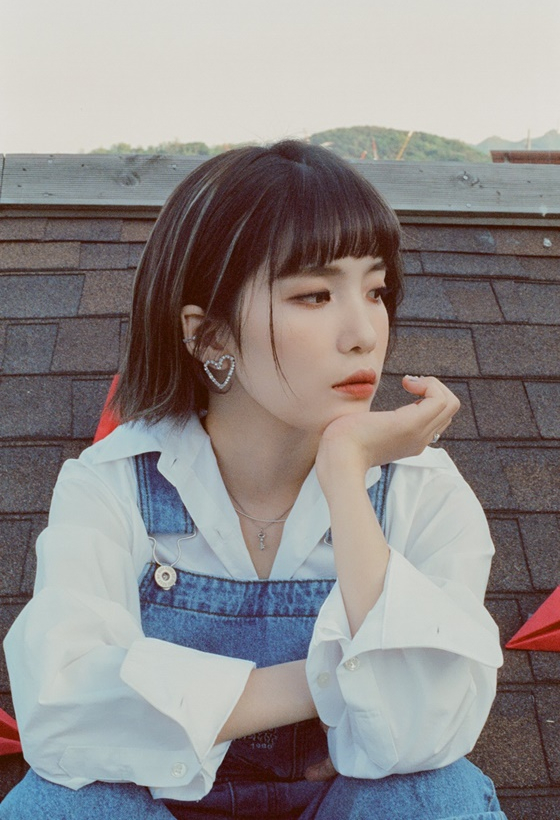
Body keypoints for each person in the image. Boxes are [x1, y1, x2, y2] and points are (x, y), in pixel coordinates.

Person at [1, 140, 506, 819]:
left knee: (432, 794)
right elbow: (62, 711)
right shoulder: (113, 484)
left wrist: (344, 472)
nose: (364, 332)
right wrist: (327, 683)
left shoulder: (421, 491)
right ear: (210, 336)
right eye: (314, 294)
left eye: (375, 289)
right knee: (60, 806)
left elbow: (424, 730)